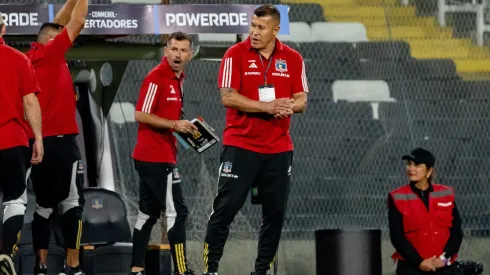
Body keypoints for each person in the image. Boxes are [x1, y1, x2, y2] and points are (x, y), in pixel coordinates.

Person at [202, 4, 308, 275]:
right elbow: (228, 96)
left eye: (261, 27)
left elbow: (302, 100)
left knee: (274, 215)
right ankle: (210, 270)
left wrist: (287, 106)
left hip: (278, 149)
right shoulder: (234, 54)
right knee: (224, 210)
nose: (254, 32)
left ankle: (260, 271)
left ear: (276, 29)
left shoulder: (294, 58)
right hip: (241, 145)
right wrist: (268, 107)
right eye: (252, 26)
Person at [24, 0, 88, 273]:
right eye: (59, 37)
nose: (66, 39)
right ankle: (72, 266)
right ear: (52, 41)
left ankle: (41, 266)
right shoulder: (52, 54)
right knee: (72, 202)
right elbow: (78, 22)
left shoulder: (32, 57)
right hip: (61, 143)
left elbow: (59, 24)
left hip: (36, 144)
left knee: (43, 206)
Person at [129, 31, 197, 275]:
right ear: (166, 51)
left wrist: (185, 128)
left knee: (147, 214)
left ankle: (136, 268)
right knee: (178, 212)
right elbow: (140, 114)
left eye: (182, 50)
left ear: (190, 55)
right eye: (174, 49)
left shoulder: (178, 79)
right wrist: (174, 125)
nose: (177, 54)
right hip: (155, 157)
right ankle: (181, 270)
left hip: (158, 155)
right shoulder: (156, 77)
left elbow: (170, 118)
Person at [0, 14, 44, 275]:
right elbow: (30, 101)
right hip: (12, 141)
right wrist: (38, 138)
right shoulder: (19, 59)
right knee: (15, 200)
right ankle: (4, 253)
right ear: (3, 28)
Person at [388, 148, 463, 275]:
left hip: (443, 267)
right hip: (411, 268)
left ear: (429, 171)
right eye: (409, 164)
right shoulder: (398, 197)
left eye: (416, 165)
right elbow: (397, 236)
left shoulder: (446, 194)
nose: (410, 168)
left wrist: (444, 258)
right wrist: (419, 262)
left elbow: (456, 231)